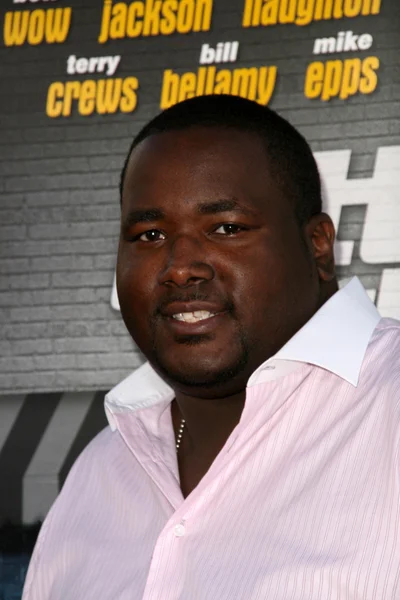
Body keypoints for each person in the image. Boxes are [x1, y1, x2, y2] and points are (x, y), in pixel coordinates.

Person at [23, 94, 400, 600]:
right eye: (150, 234)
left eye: (226, 228)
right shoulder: (97, 474)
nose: (179, 265)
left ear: (318, 246)